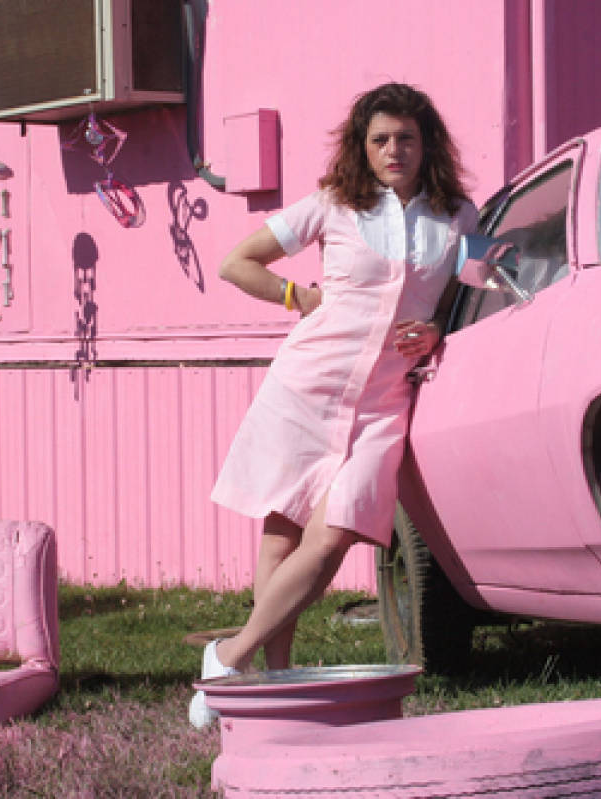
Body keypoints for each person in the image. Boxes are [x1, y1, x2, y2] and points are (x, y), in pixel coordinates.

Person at [190, 82, 478, 728]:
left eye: (406, 138)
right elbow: (238, 262)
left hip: (384, 403)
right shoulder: (333, 205)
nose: (394, 149)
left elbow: (475, 291)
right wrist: (302, 298)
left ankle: (228, 656)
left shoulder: (459, 215)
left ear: (427, 143)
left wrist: (439, 327)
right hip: (308, 385)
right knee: (283, 529)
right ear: (362, 147)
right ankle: (274, 680)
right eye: (381, 139)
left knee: (334, 535)